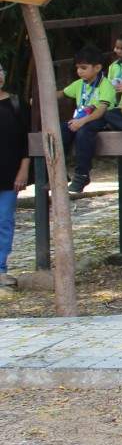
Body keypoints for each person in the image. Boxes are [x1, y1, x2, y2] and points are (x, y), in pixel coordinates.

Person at [61, 45, 116, 196]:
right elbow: (61, 93)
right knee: (61, 129)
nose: (79, 71)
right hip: (80, 120)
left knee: (84, 132)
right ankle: (59, 172)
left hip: (101, 120)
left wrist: (82, 121)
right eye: (78, 68)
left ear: (97, 67)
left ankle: (82, 175)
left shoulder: (106, 85)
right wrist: (40, 98)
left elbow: (101, 111)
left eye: (84, 68)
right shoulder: (79, 84)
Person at [0, 63, 31, 287]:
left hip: (9, 173)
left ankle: (0, 268)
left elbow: (25, 141)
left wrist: (24, 169)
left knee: (4, 220)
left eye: (0, 71)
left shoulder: (16, 103)